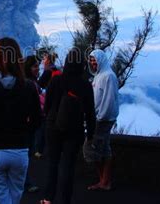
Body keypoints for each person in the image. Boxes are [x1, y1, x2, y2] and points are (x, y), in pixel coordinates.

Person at [0, 37, 42, 204]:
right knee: (13, 200)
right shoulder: (28, 86)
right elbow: (37, 120)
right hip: (19, 152)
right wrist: (21, 131)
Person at [40, 48, 96, 204]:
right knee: (68, 167)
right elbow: (90, 113)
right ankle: (65, 200)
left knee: (53, 163)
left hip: (53, 128)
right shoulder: (85, 85)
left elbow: (47, 106)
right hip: (74, 130)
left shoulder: (56, 80)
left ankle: (48, 199)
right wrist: (90, 135)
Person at [85, 49, 119, 191]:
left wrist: (100, 117)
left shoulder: (108, 76)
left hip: (103, 119)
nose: (93, 63)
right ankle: (104, 181)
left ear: (101, 60)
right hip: (98, 118)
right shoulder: (99, 76)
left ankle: (104, 181)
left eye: (95, 60)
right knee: (104, 149)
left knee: (90, 149)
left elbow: (109, 100)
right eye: (91, 60)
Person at [23, 55, 43, 193]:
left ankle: (24, 181)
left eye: (38, 66)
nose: (37, 69)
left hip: (31, 123)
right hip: (27, 124)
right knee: (25, 153)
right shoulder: (27, 83)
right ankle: (25, 182)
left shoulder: (31, 82)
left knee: (26, 153)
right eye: (34, 66)